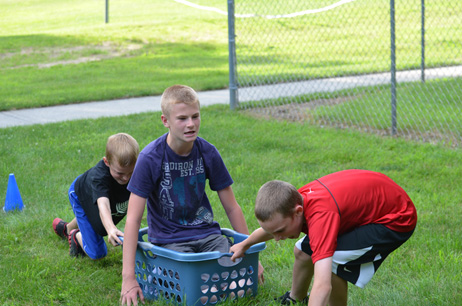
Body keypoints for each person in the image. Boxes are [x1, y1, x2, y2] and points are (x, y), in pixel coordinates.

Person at [120, 85, 263, 306]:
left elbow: (232, 207)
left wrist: (250, 257)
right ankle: (171, 278)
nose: (191, 124)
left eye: (195, 116)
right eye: (182, 118)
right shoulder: (150, 158)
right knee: (203, 295)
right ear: (165, 120)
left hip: (209, 237)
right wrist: (128, 278)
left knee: (238, 290)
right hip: (170, 243)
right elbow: (132, 219)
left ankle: (199, 282)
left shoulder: (208, 152)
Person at [230, 169, 417, 306]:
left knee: (334, 262)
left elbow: (322, 284)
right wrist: (245, 245)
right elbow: (270, 229)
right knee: (303, 251)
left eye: (280, 231)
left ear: (298, 212)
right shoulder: (296, 201)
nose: (277, 239)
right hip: (375, 207)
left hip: (395, 219)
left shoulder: (320, 217)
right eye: (274, 233)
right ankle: (296, 299)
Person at [52, 133, 140, 259]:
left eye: (130, 172)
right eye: (120, 173)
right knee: (98, 253)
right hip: (82, 194)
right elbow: (103, 204)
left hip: (99, 198)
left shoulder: (139, 170)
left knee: (99, 218)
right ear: (107, 162)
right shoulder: (98, 178)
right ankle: (76, 235)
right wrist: (111, 229)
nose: (126, 178)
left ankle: (66, 228)